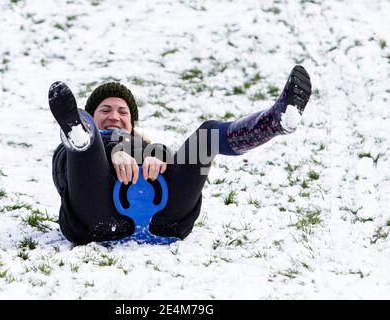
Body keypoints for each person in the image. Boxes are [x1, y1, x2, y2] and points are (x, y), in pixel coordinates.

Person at [50, 65, 312, 245]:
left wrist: (158, 156)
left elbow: (167, 157)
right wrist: (110, 151)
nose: (114, 116)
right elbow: (62, 173)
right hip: (96, 217)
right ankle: (80, 130)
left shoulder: (144, 144)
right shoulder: (74, 147)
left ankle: (273, 121)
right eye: (105, 110)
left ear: (133, 123)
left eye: (123, 112)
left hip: (166, 220)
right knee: (84, 143)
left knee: (207, 135)